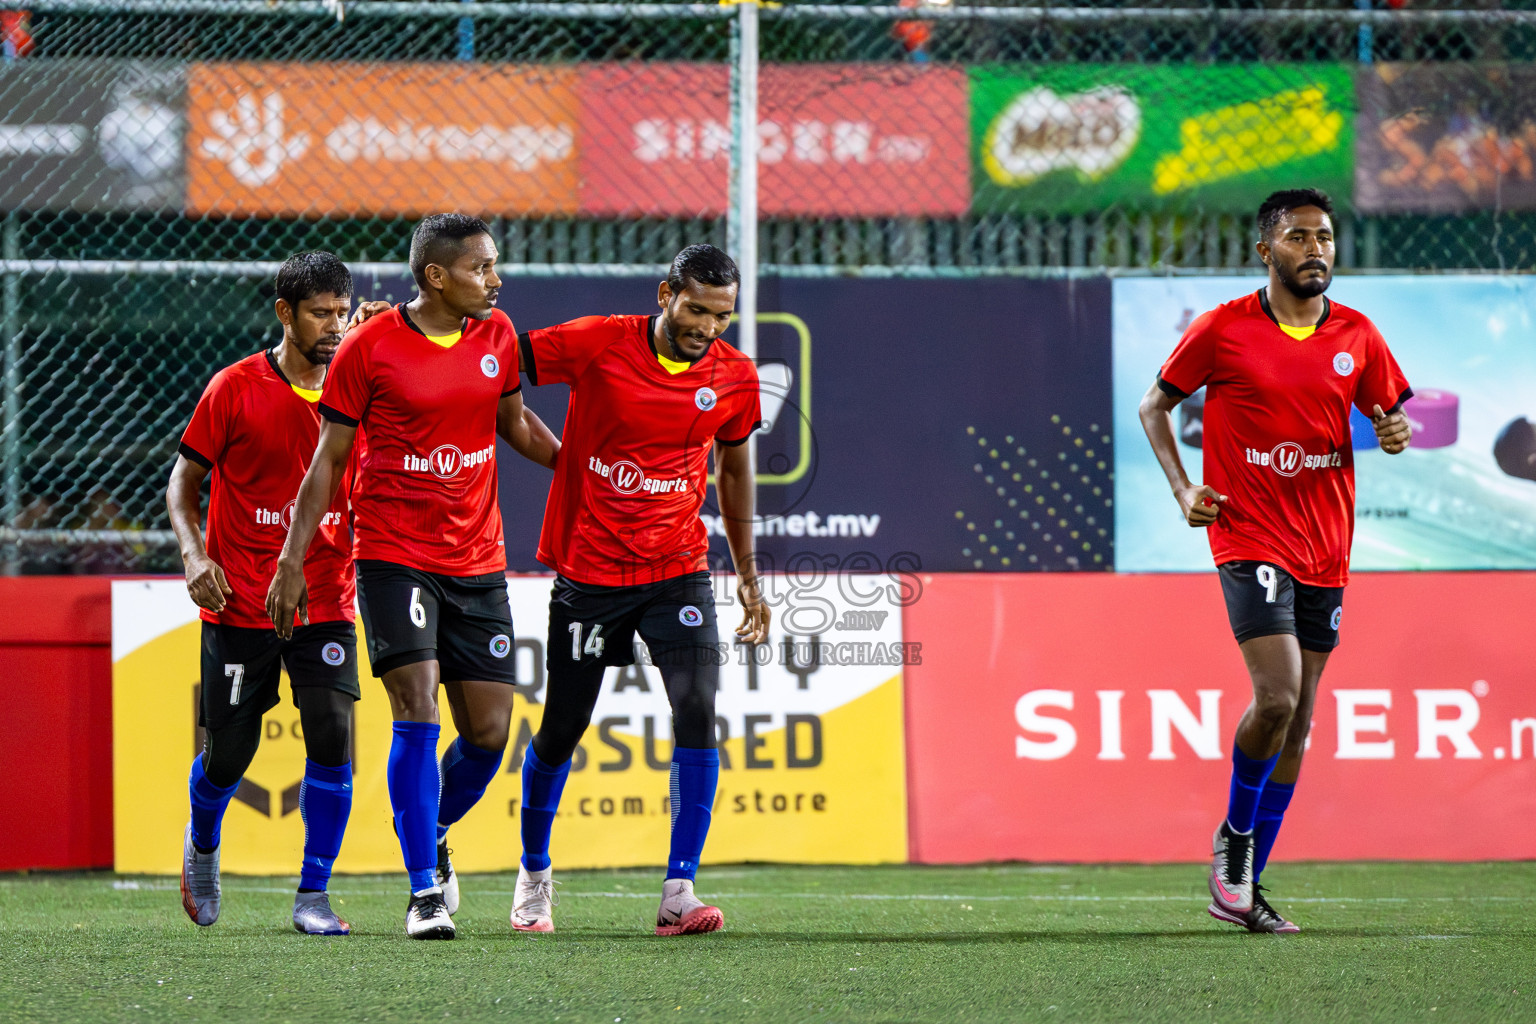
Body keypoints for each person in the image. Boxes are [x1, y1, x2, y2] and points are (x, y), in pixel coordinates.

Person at [267, 214, 559, 940]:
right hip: (394, 555)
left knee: (490, 734)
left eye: (495, 266)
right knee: (417, 712)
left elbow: (516, 426)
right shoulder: (368, 346)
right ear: (436, 276)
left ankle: (430, 832)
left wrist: (582, 465)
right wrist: (291, 561)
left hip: (478, 559)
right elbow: (327, 462)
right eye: (482, 268)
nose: (496, 279)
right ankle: (424, 891)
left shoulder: (497, 337)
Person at [1137, 189, 1413, 934]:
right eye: (1298, 237)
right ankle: (1234, 839)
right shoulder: (1224, 330)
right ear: (1267, 251)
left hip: (1326, 542)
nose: (1315, 248)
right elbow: (1153, 407)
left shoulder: (1358, 333)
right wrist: (1182, 485)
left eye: (1324, 236)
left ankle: (1243, 887)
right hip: (1247, 532)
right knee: (1279, 696)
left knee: (1301, 721)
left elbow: (1391, 413)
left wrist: (1393, 430)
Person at [511, 244, 769, 936]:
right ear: (665, 294)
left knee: (697, 712)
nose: (707, 327)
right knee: (562, 727)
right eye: (695, 309)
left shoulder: (735, 378)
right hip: (590, 573)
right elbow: (495, 361)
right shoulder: (599, 342)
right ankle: (534, 874)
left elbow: (736, 475)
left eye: (722, 316)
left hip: (677, 569)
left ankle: (679, 889)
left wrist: (747, 576)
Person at [167, 250, 361, 936]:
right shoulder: (235, 387)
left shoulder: (361, 390)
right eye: (320, 314)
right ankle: (203, 842)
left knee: (334, 733)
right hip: (240, 600)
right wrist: (194, 556)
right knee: (230, 753)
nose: (335, 327)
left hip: (327, 597)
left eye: (343, 313)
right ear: (285, 313)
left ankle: (313, 894)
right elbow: (182, 485)